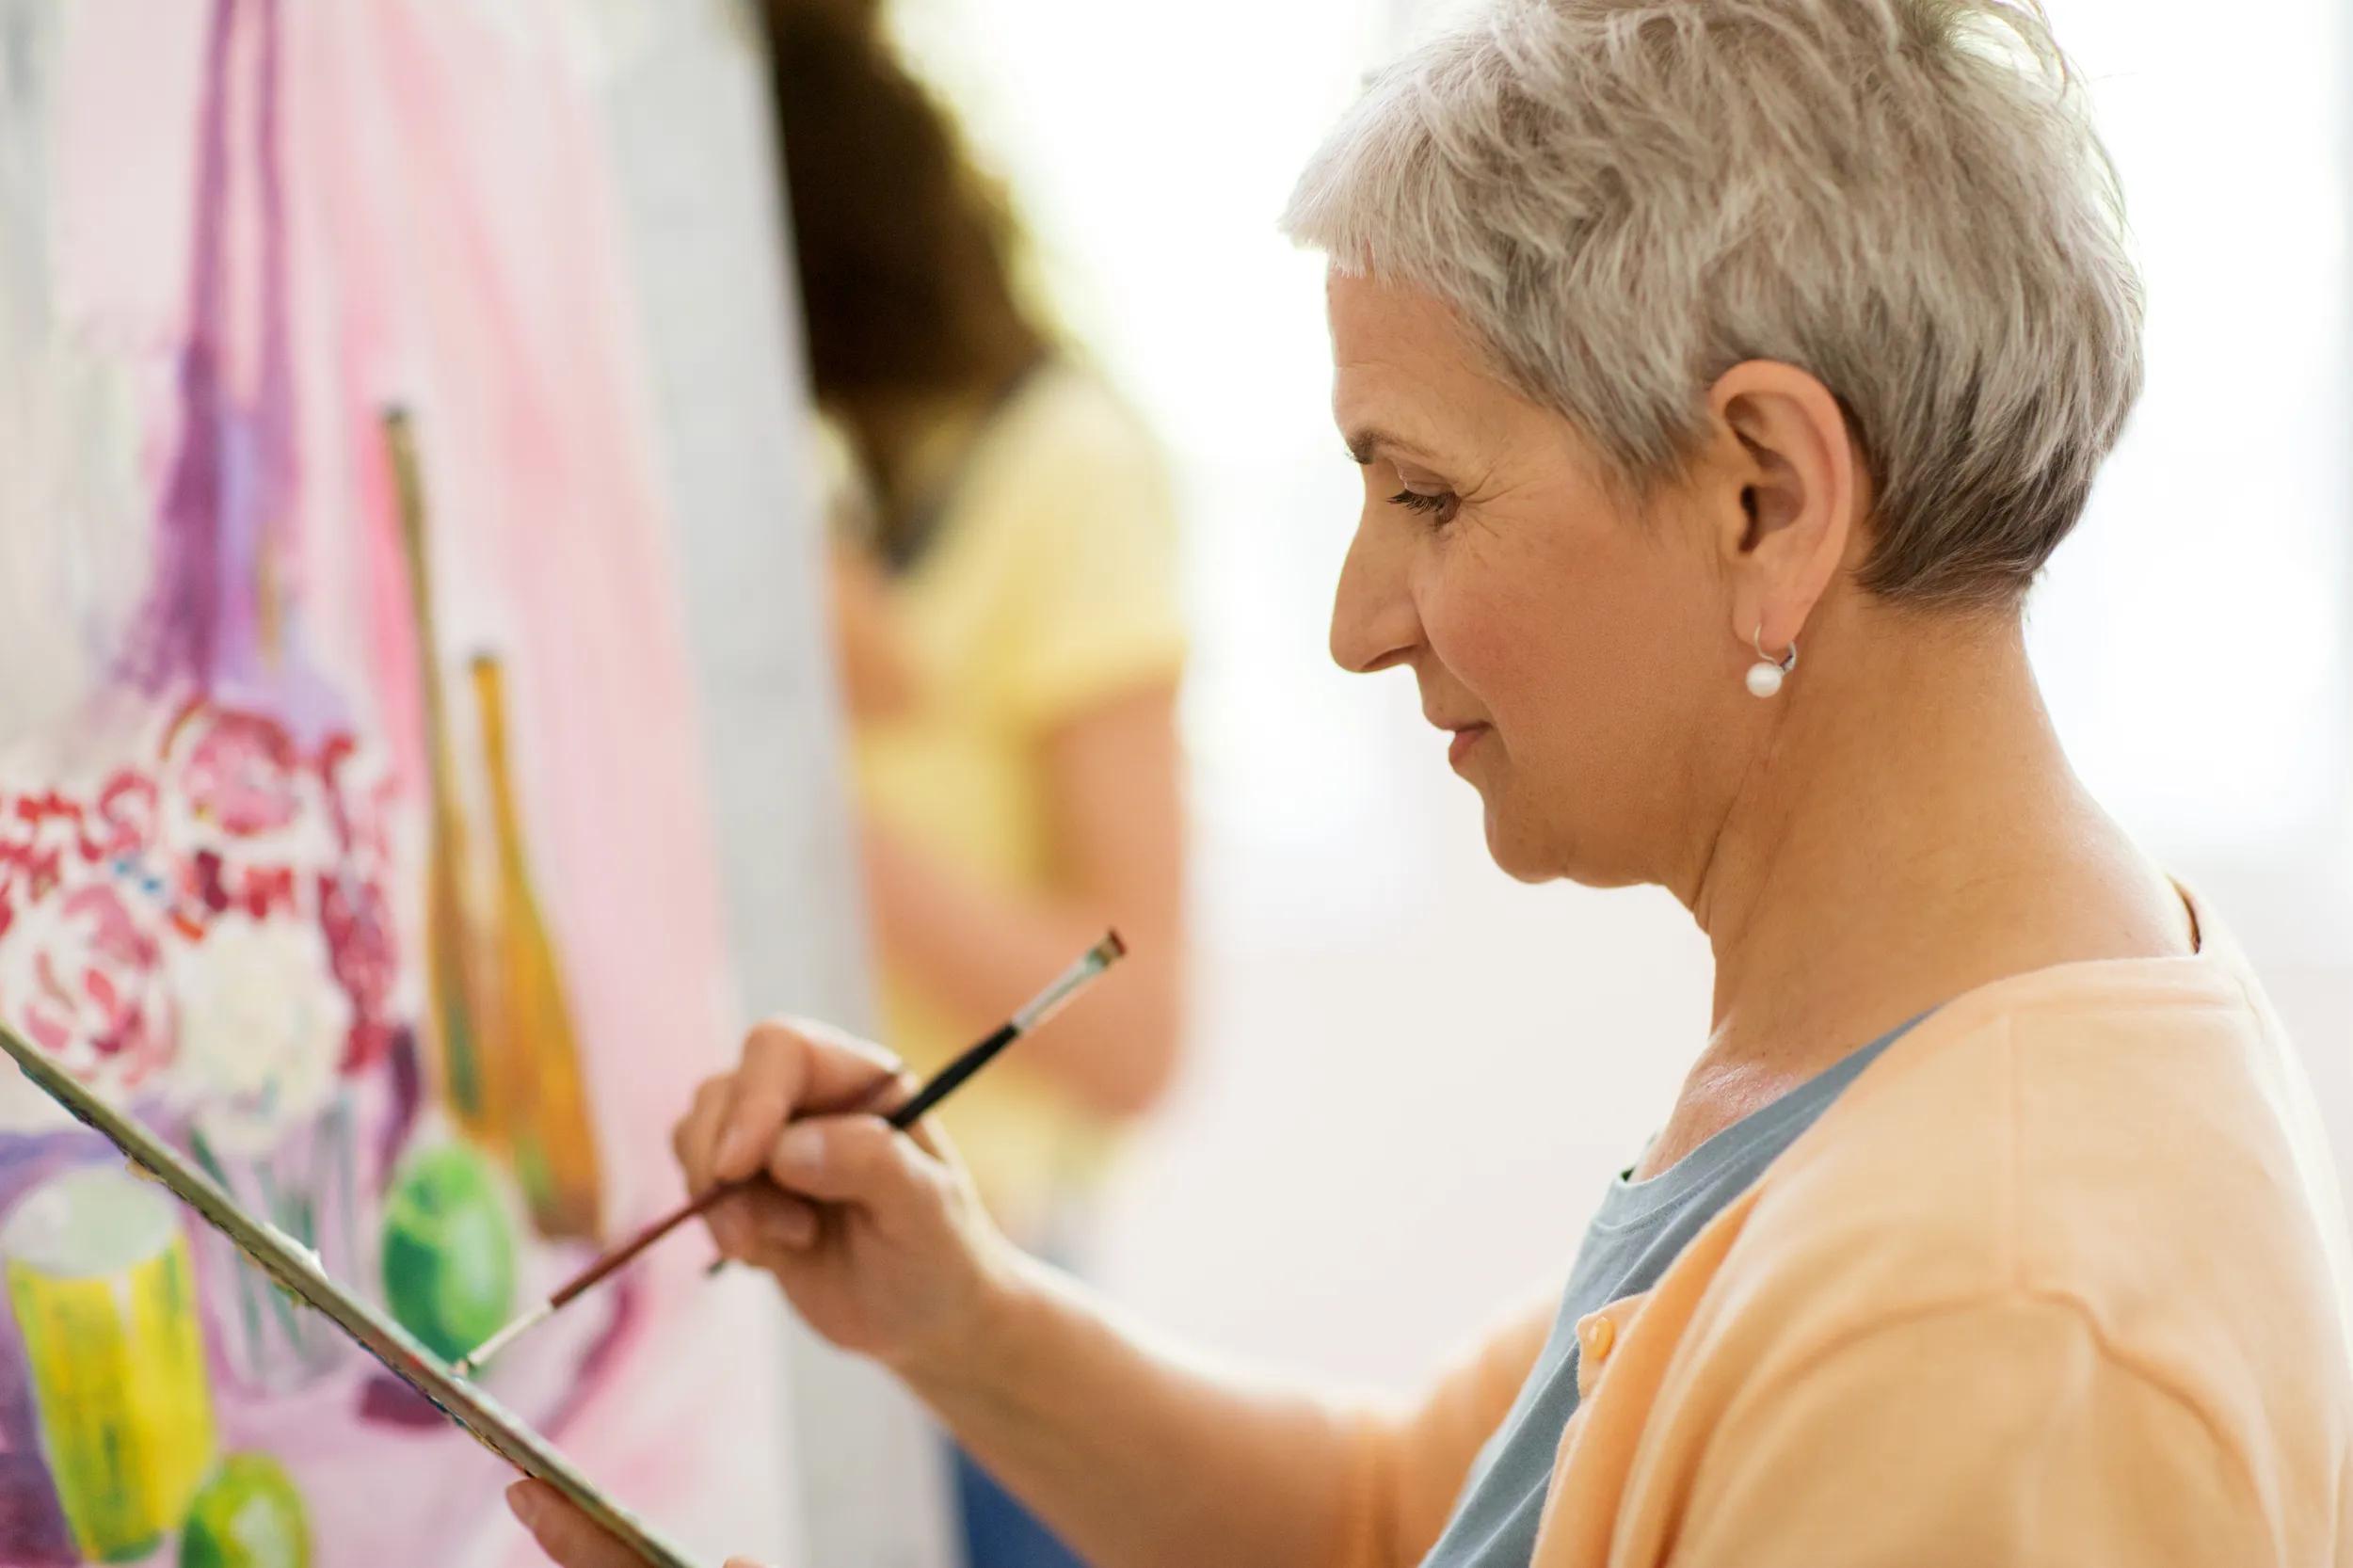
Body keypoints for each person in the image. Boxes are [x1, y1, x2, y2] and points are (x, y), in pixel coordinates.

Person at [514, 0, 2353, 1563]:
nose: (1352, 621)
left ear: (1762, 498)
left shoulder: (1984, 1330)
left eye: (1424, 492)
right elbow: (1401, 1513)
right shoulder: (1875, 1033)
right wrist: (961, 1316)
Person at [760, 1, 1190, 1561]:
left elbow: (1138, 1027)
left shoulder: (1065, 465)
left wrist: (802, 808)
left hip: (984, 1295)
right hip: (766, 1299)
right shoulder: (813, 477)